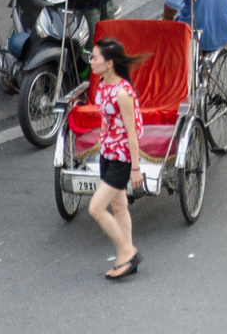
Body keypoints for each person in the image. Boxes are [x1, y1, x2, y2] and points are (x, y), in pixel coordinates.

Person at [86, 37, 144, 280]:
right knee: (119, 207)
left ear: (109, 63)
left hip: (121, 158)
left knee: (95, 208)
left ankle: (126, 250)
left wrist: (136, 168)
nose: (91, 61)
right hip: (107, 153)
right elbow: (106, 118)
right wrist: (102, 137)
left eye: (95, 57)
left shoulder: (122, 92)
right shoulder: (102, 84)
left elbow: (132, 132)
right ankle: (126, 259)